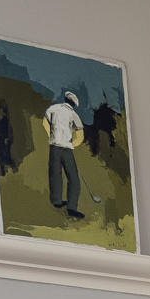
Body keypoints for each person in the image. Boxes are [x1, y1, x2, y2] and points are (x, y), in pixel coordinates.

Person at [44, 89, 87, 219]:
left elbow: (45, 122)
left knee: (55, 174)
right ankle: (72, 208)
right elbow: (80, 134)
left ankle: (56, 201)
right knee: (73, 179)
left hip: (54, 147)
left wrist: (51, 136)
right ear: (73, 104)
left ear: (65, 100)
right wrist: (72, 144)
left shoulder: (53, 108)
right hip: (66, 149)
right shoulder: (73, 114)